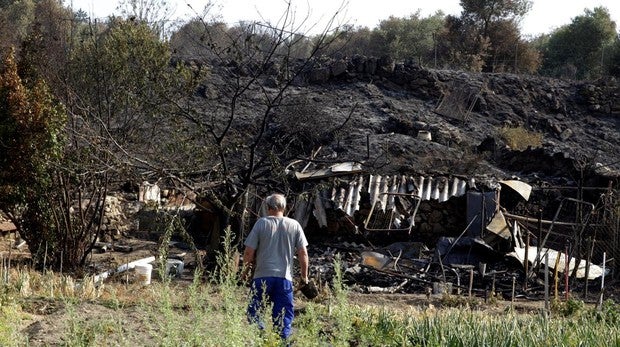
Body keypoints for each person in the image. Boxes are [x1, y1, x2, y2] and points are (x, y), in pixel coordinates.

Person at [243, 193, 309, 340]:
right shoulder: (294, 225)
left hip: (262, 277)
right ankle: (281, 342)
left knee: (254, 310)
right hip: (284, 278)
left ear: (268, 208)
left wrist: (245, 272)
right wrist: (304, 276)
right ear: (284, 207)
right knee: (283, 314)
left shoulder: (261, 223)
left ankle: (260, 337)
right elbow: (303, 253)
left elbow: (248, 252)